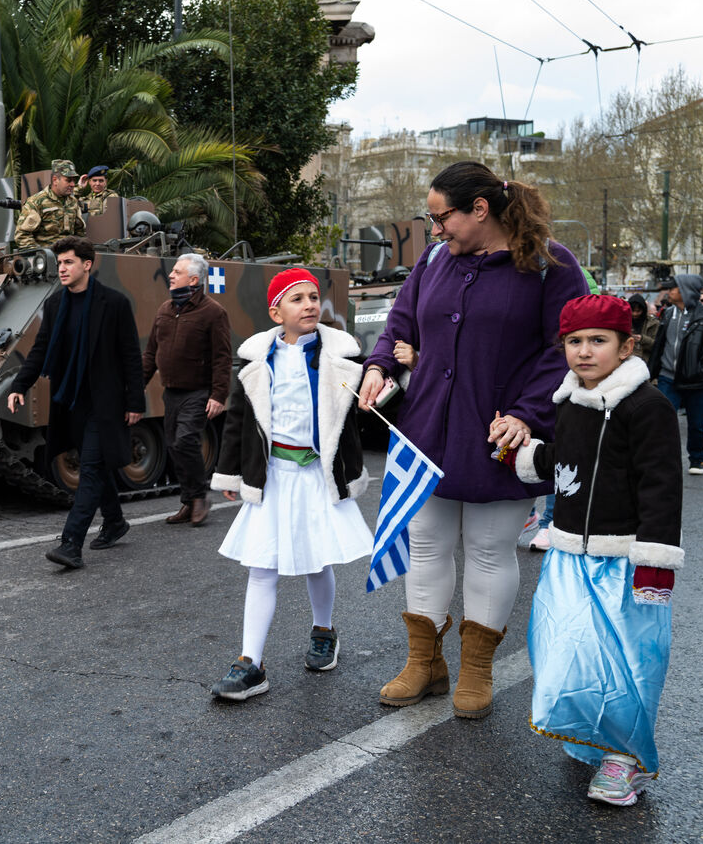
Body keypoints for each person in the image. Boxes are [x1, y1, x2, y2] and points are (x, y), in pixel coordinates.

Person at [359, 160, 588, 719]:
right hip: (427, 430)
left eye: (442, 218)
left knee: (489, 548)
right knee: (426, 542)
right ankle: (425, 663)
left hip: (500, 435)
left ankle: (476, 670)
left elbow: (564, 349)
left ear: (480, 210)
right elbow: (400, 323)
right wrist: (379, 365)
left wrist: (528, 414)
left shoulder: (551, 265)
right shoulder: (435, 259)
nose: (435, 230)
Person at [500, 293, 683, 807]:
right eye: (573, 341)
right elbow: (565, 462)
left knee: (627, 664)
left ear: (626, 347)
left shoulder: (647, 407)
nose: (583, 351)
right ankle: (593, 736)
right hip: (567, 557)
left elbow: (661, 486)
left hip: (624, 561)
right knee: (564, 652)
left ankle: (624, 760)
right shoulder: (569, 401)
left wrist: (655, 562)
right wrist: (523, 454)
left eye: (598, 341)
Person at [207, 268, 373, 698]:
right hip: (274, 475)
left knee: (318, 561)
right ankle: (251, 663)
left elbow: (363, 412)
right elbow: (238, 419)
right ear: (276, 312)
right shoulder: (257, 360)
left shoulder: (341, 356)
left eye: (314, 297)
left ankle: (323, 630)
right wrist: (232, 472)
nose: (310, 305)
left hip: (319, 474)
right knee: (261, 567)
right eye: (297, 299)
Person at [6, 237, 145, 569]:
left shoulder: (114, 303)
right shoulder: (55, 304)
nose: (62, 269)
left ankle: (71, 544)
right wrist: (19, 385)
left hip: (105, 402)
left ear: (87, 264)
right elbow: (40, 349)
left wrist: (135, 401)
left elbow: (131, 357)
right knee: (95, 463)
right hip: (71, 401)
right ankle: (115, 521)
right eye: (59, 263)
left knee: (91, 469)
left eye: (68, 262)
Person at [142, 252, 232, 526]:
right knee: (173, 446)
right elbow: (150, 354)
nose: (171, 275)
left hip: (198, 391)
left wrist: (218, 395)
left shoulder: (213, 312)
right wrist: (135, 389)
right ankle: (188, 501)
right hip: (172, 392)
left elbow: (222, 357)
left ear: (193, 280)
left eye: (177, 272)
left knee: (185, 441)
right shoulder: (165, 310)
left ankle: (200, 497)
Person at [645, 275, 703, 474]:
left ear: (685, 290)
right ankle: (662, 459)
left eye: (673, 288)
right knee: (662, 421)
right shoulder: (668, 313)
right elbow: (661, 344)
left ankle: (697, 459)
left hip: (697, 380)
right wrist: (652, 370)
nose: (669, 291)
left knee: (697, 423)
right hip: (667, 377)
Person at [12, 160, 83, 249]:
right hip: (46, 254)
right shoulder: (37, 201)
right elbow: (22, 235)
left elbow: (80, 231)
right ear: (55, 180)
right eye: (68, 180)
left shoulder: (73, 202)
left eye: (74, 180)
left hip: (70, 253)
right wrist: (40, 253)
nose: (72, 184)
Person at [628, 293, 659, 361]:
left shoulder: (653, 323)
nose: (635, 314)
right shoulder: (624, 321)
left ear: (643, 310)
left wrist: (642, 339)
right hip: (628, 360)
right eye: (633, 311)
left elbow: (657, 345)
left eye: (638, 311)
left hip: (646, 361)